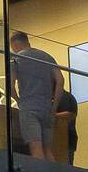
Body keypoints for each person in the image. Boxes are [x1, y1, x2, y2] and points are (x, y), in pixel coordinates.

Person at [10, 31, 63, 161]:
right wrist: (54, 105)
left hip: (29, 107)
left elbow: (9, 85)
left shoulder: (15, 59)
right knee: (47, 150)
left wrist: (18, 100)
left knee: (36, 149)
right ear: (28, 42)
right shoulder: (47, 57)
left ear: (14, 46)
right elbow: (60, 80)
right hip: (47, 107)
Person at [56, 89, 79, 165]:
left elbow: (70, 115)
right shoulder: (67, 96)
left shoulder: (64, 97)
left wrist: (52, 115)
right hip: (67, 137)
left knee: (65, 166)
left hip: (65, 138)